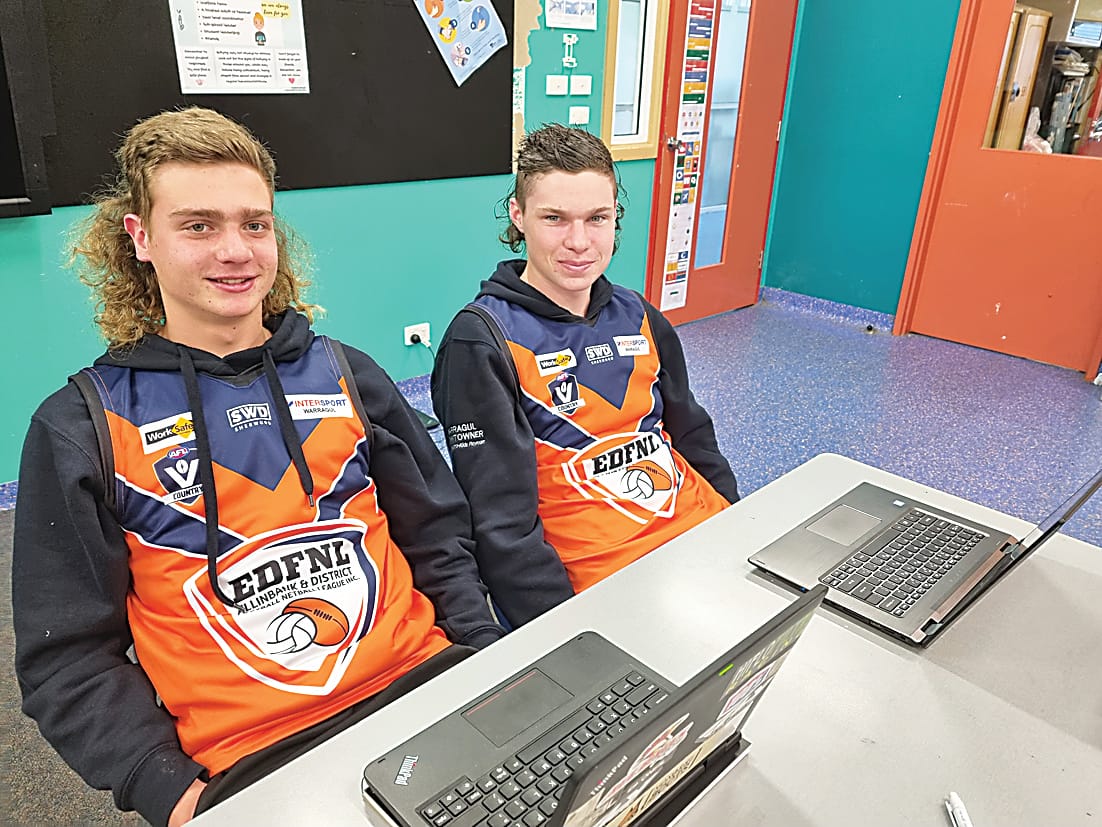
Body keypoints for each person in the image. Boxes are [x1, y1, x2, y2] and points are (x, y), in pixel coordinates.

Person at [11, 107, 504, 827]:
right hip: (257, 765)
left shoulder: (346, 374)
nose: (235, 250)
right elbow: (66, 659)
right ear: (140, 238)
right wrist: (176, 797)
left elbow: (438, 535)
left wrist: (483, 655)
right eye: (199, 225)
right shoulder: (81, 425)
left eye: (254, 223)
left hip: (429, 692)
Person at [431, 124, 739, 629]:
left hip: (704, 536)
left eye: (597, 218)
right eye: (555, 218)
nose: (579, 243)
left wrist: (740, 521)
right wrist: (561, 628)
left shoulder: (638, 313)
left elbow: (694, 436)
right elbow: (500, 522)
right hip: (607, 581)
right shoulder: (482, 341)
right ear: (518, 215)